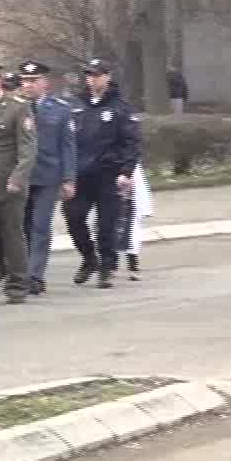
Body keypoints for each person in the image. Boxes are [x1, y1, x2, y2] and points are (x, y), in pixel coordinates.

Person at [65, 58, 141, 290]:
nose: (92, 79)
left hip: (109, 175)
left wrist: (126, 171)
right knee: (74, 218)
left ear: (107, 77)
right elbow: (65, 141)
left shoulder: (120, 107)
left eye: (97, 75)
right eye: (89, 75)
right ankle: (89, 259)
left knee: (107, 224)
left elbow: (132, 142)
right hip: (80, 174)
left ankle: (107, 267)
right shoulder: (76, 105)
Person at [16, 61, 77, 295]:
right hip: (21, 176)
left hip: (48, 177)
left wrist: (69, 178)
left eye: (33, 81)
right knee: (21, 227)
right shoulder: (14, 107)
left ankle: (35, 275)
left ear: (45, 83)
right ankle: (21, 272)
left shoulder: (60, 109)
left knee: (40, 226)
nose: (28, 85)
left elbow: (68, 146)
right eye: (25, 81)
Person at [0, 63, 37, 304]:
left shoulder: (17, 108)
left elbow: (28, 149)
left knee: (11, 235)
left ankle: (17, 284)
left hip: (7, 185)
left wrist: (18, 178)